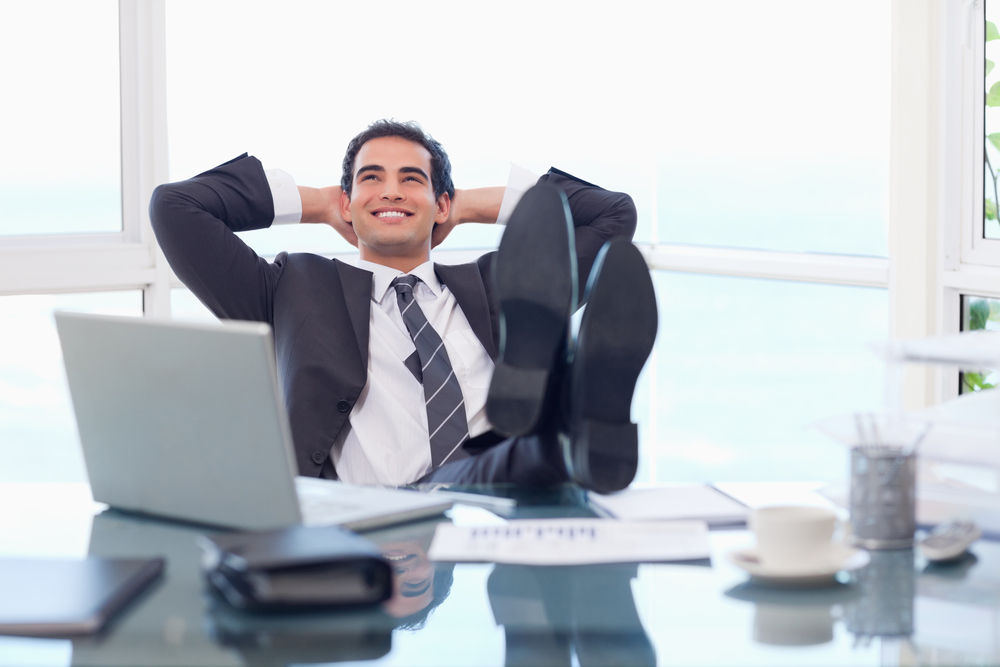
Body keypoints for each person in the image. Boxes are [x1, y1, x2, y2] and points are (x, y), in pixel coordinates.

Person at [149, 120, 657, 493]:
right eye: (371, 178)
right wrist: (319, 202)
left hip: (487, 502)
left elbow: (614, 215)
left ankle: (565, 414)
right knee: (536, 453)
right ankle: (577, 417)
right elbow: (176, 208)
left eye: (412, 179)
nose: (391, 189)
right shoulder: (289, 288)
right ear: (347, 203)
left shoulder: (504, 285)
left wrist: (470, 204)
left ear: (441, 204)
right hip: (367, 517)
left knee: (516, 453)